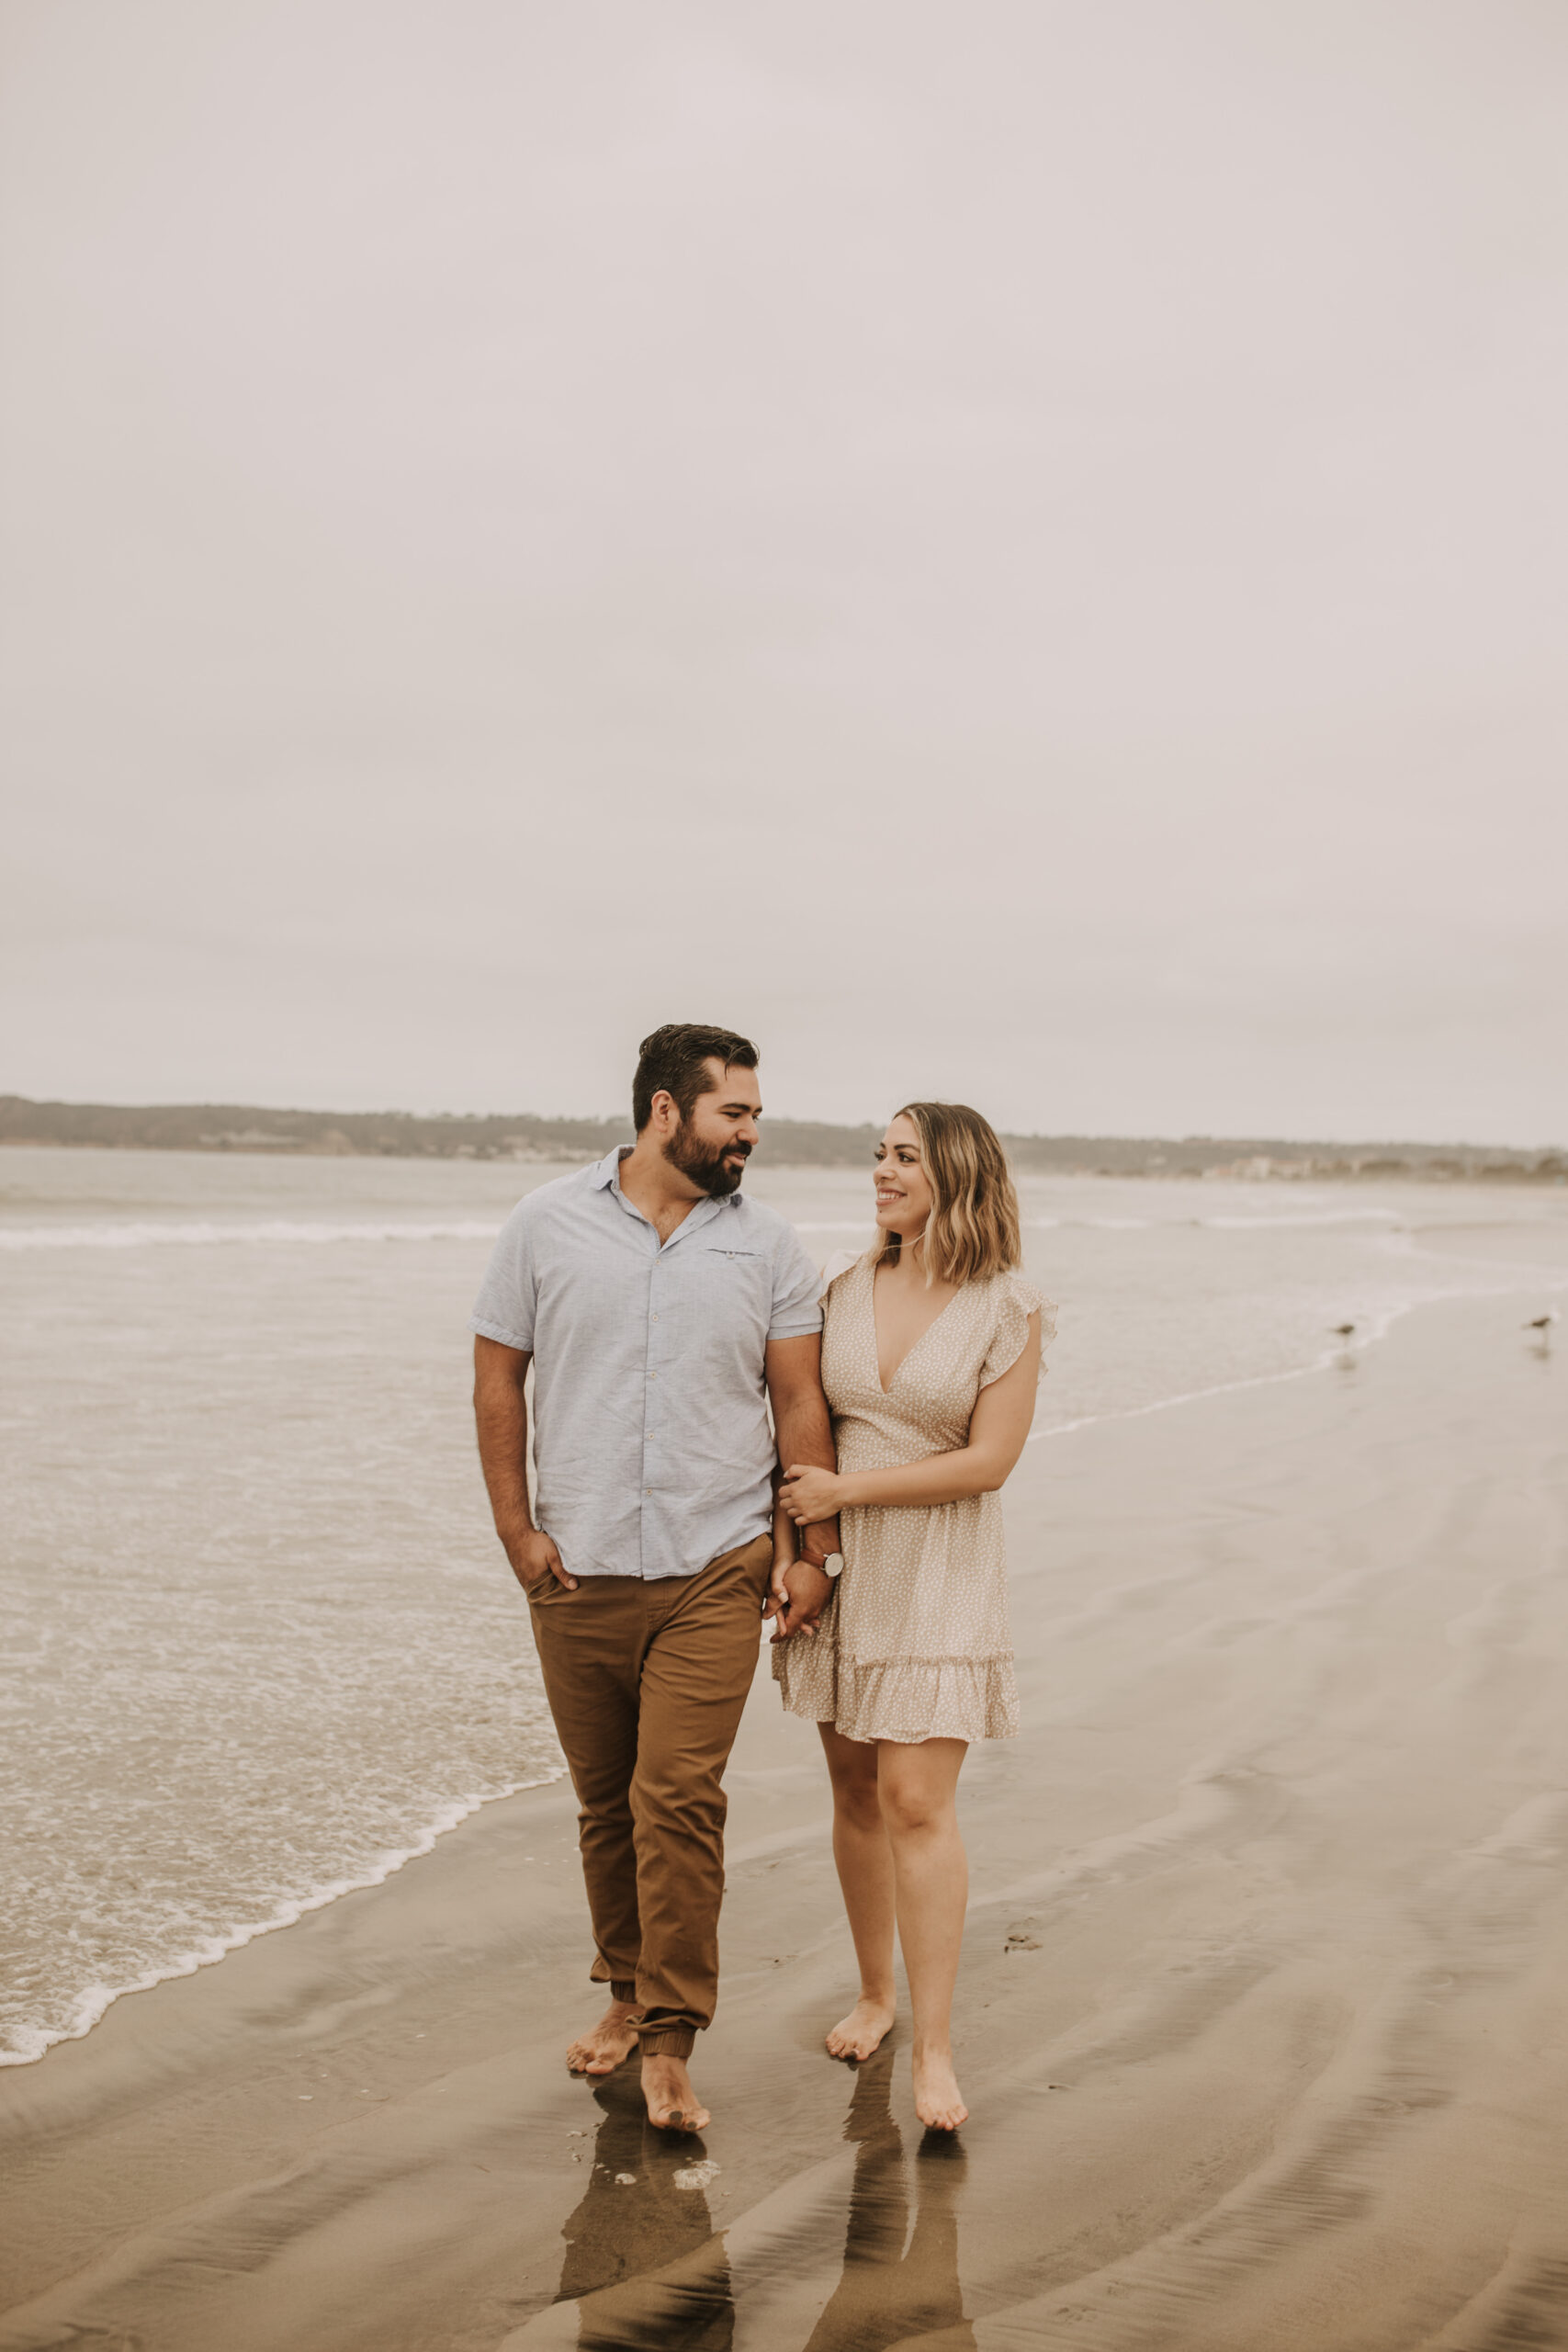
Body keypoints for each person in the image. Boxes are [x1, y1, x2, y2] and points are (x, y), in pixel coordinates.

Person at [470, 1023, 841, 2134]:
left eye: (756, 1115)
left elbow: (798, 1407)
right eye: (735, 1114)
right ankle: (625, 1996)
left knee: (676, 1798)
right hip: (575, 1567)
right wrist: (516, 1532)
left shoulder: (768, 1246)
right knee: (605, 1802)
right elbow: (498, 1382)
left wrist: (808, 1552)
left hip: (714, 1564)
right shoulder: (543, 1224)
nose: (752, 1135)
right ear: (667, 1111)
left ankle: (673, 2039)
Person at [773, 1102, 1053, 2132]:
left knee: (916, 1801)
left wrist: (844, 1498)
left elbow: (991, 1462)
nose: (881, 1172)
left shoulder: (1007, 1306)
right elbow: (800, 1429)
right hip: (842, 1566)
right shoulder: (844, 1288)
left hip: (939, 1564)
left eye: (903, 1157)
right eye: (878, 1155)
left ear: (957, 1175)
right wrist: (802, 1549)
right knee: (852, 1789)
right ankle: (874, 1994)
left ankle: (935, 2048)